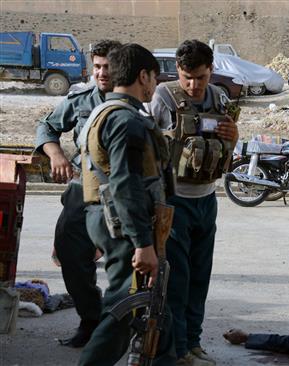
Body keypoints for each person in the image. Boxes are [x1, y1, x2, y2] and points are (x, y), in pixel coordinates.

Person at [78, 43, 175, 366]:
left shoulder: (108, 111)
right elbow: (125, 183)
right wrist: (142, 243)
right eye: (154, 79)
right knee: (126, 309)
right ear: (143, 76)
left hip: (114, 221)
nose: (155, 87)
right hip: (123, 225)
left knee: (157, 308)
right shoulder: (125, 120)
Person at [146, 39, 239, 366]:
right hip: (175, 202)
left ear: (210, 71)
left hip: (206, 200)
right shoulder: (164, 97)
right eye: (187, 77)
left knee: (200, 277)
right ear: (179, 72)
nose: (193, 84)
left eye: (200, 77)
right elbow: (149, 148)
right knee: (177, 280)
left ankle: (194, 343)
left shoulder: (219, 97)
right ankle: (179, 349)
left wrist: (233, 136)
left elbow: (229, 146)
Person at [34, 39, 122, 348]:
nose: (101, 73)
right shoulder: (81, 100)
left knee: (125, 265)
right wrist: (56, 155)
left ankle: (121, 327)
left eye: (107, 67)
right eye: (97, 67)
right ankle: (91, 319)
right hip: (81, 189)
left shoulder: (136, 101)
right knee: (69, 252)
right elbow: (46, 127)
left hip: (121, 192)